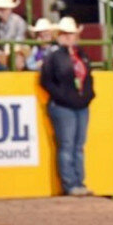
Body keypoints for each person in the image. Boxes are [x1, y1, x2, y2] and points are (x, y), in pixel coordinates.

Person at [39, 16, 95, 197]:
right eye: (66, 34)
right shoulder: (55, 56)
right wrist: (65, 97)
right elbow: (46, 81)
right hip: (64, 105)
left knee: (77, 145)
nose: (69, 37)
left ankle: (79, 182)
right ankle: (71, 183)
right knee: (68, 144)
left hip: (79, 104)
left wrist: (87, 96)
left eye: (71, 34)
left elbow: (88, 78)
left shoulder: (81, 55)